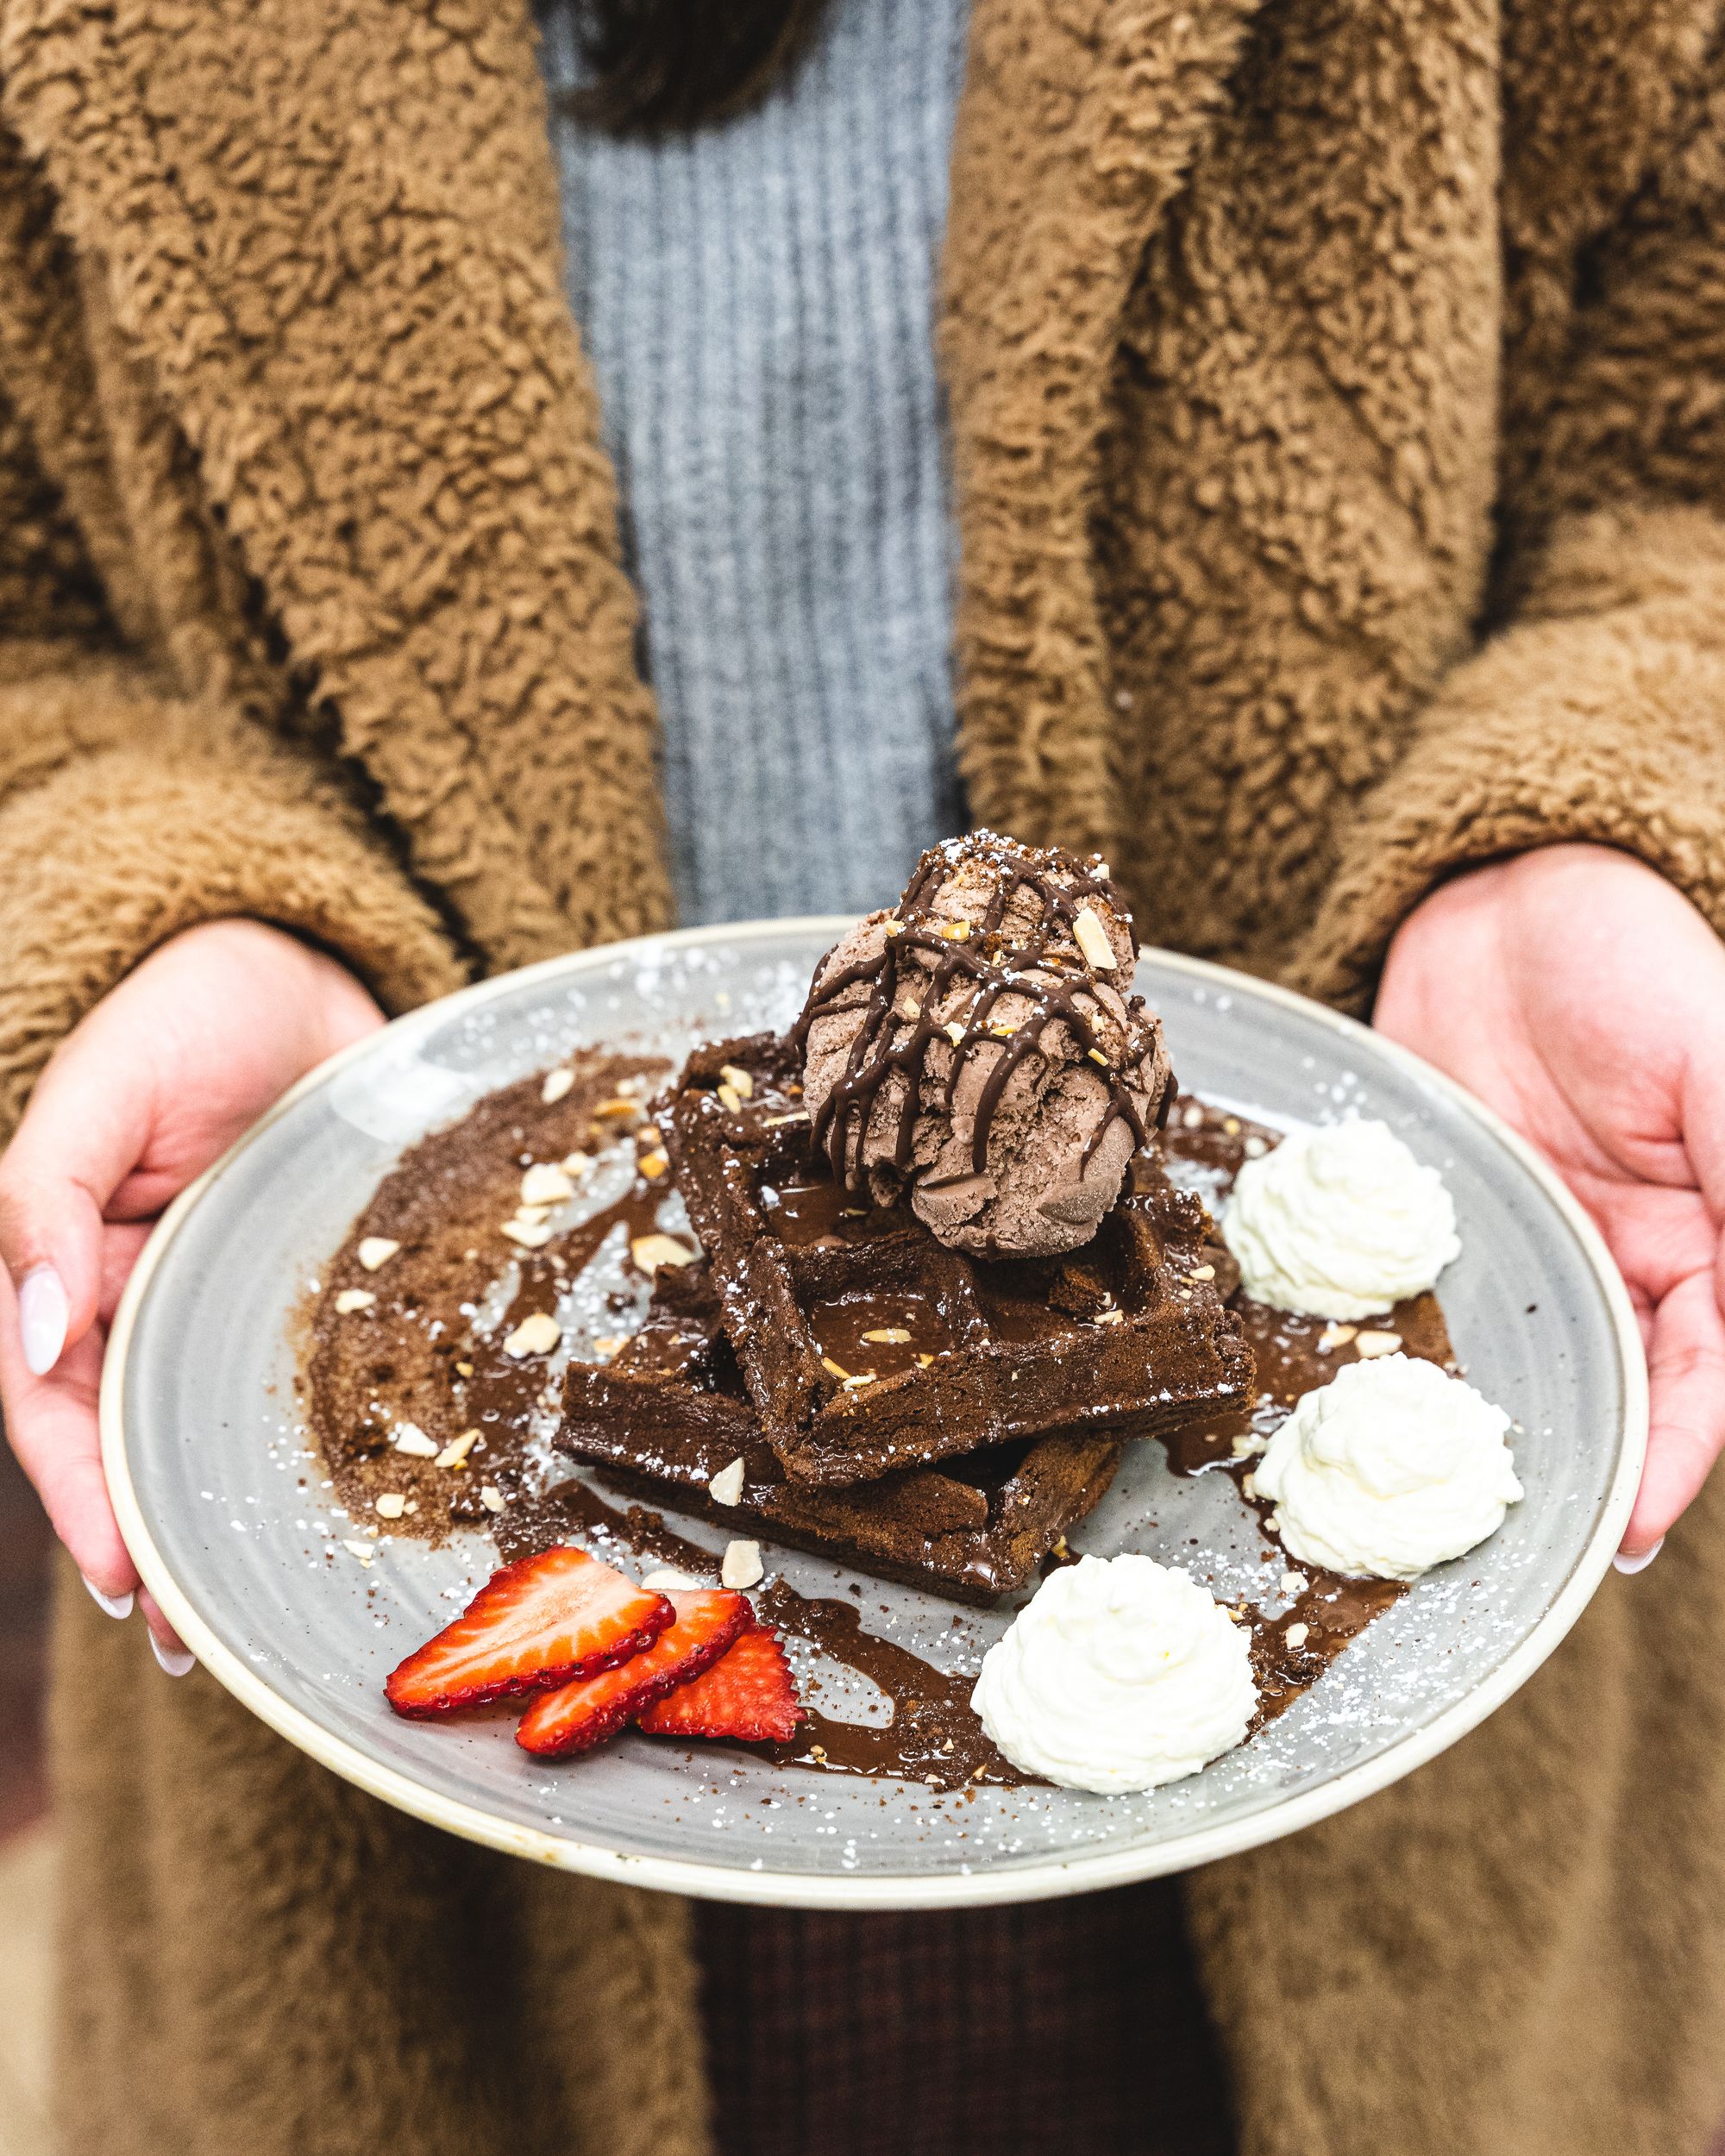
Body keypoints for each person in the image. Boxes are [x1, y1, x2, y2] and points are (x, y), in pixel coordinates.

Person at [3, 0, 1724, 2149]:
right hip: (427, 1725)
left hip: (1337, 1692)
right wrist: (163, 902)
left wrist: (1588, 823)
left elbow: (1681, 462)